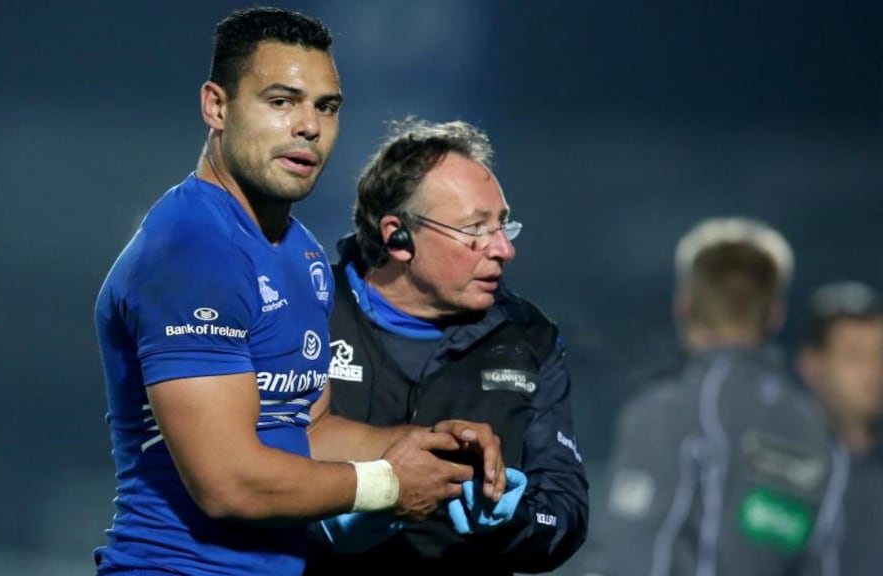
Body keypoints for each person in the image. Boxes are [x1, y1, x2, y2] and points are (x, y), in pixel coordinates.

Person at [92, 7, 506, 576]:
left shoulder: (303, 253)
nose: (309, 126)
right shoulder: (193, 250)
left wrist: (427, 450)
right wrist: (388, 482)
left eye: (326, 107)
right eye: (281, 102)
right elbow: (227, 483)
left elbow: (305, 429)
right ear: (217, 106)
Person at [301, 117, 589, 575]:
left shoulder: (530, 337)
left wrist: (509, 518)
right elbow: (242, 477)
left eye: (503, 226)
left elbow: (565, 516)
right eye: (475, 229)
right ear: (399, 236)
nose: (502, 250)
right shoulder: (305, 311)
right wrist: (347, 509)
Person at [572, 216, 846, 576]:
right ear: (775, 315)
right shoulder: (817, 427)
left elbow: (635, 552)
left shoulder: (668, 410)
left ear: (683, 305)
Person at [797, 281, 883, 575]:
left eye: (880, 355)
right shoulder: (775, 470)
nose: (874, 372)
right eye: (855, 356)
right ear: (811, 364)